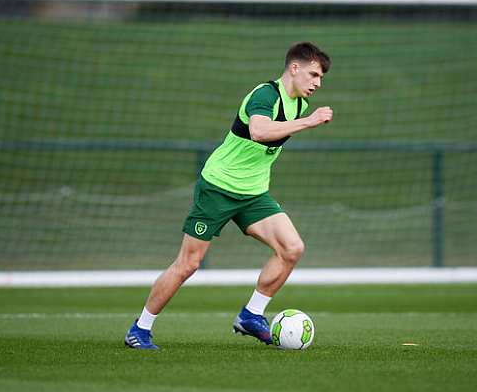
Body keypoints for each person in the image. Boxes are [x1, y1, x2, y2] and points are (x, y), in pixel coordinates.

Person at [125, 42, 333, 350]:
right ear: (294, 68)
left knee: (292, 248)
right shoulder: (266, 95)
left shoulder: (298, 104)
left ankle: (251, 315)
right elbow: (259, 131)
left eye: (321, 78)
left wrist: (304, 118)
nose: (317, 83)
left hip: (253, 192)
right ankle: (139, 330)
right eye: (314, 74)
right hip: (219, 187)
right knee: (188, 264)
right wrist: (309, 121)